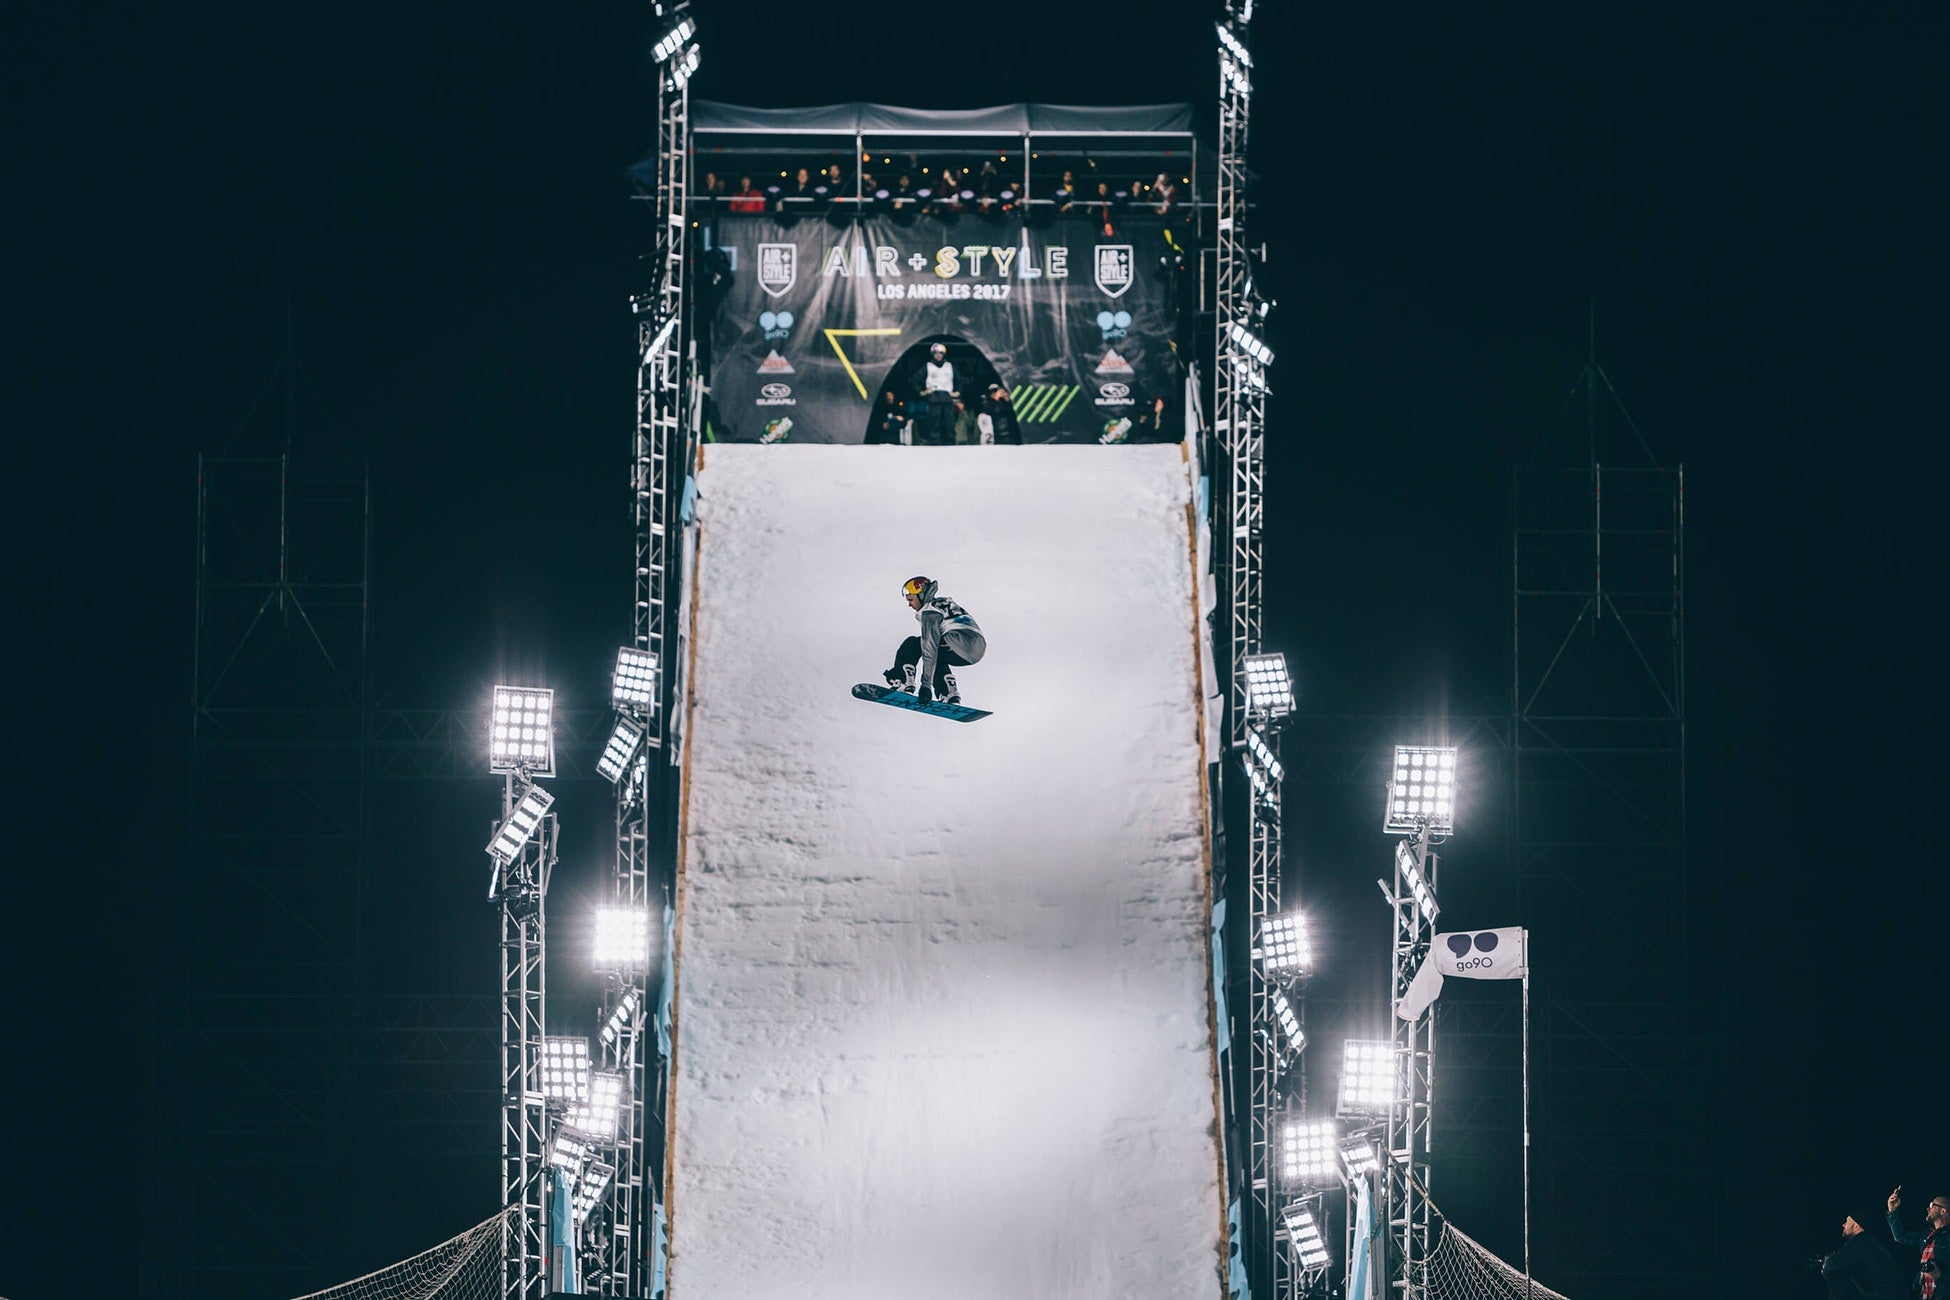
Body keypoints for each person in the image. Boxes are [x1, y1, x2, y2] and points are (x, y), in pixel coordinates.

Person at [882, 576, 985, 705]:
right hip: (977, 649)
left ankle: (903, 681)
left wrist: (926, 687)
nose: (909, 604)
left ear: (921, 596)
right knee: (938, 657)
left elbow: (929, 648)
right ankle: (949, 693)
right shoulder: (943, 603)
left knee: (913, 644)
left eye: (911, 600)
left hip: (958, 642)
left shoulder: (930, 611)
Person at [1821, 1209, 1909, 1300]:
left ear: (1856, 1226)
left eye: (1847, 1221)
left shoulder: (1860, 1241)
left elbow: (1830, 1266)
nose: (1843, 1224)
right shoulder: (1870, 1241)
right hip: (1893, 1294)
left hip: (1881, 1296)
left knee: (1835, 1276)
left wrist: (1826, 1261)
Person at [1888, 1187, 1949, 1299]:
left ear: (1943, 1211)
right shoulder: (1927, 1235)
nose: (1928, 1208)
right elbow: (1901, 1237)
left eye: (1932, 1205)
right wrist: (1893, 1211)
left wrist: (1941, 1275)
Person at [916, 342, 960, 446]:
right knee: (934, 423)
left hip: (947, 397)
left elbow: (960, 380)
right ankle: (935, 444)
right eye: (936, 353)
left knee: (949, 423)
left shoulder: (949, 366)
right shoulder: (928, 366)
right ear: (933, 354)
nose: (938, 355)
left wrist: (958, 392)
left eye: (941, 353)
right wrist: (922, 392)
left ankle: (950, 444)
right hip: (934, 398)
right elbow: (914, 379)